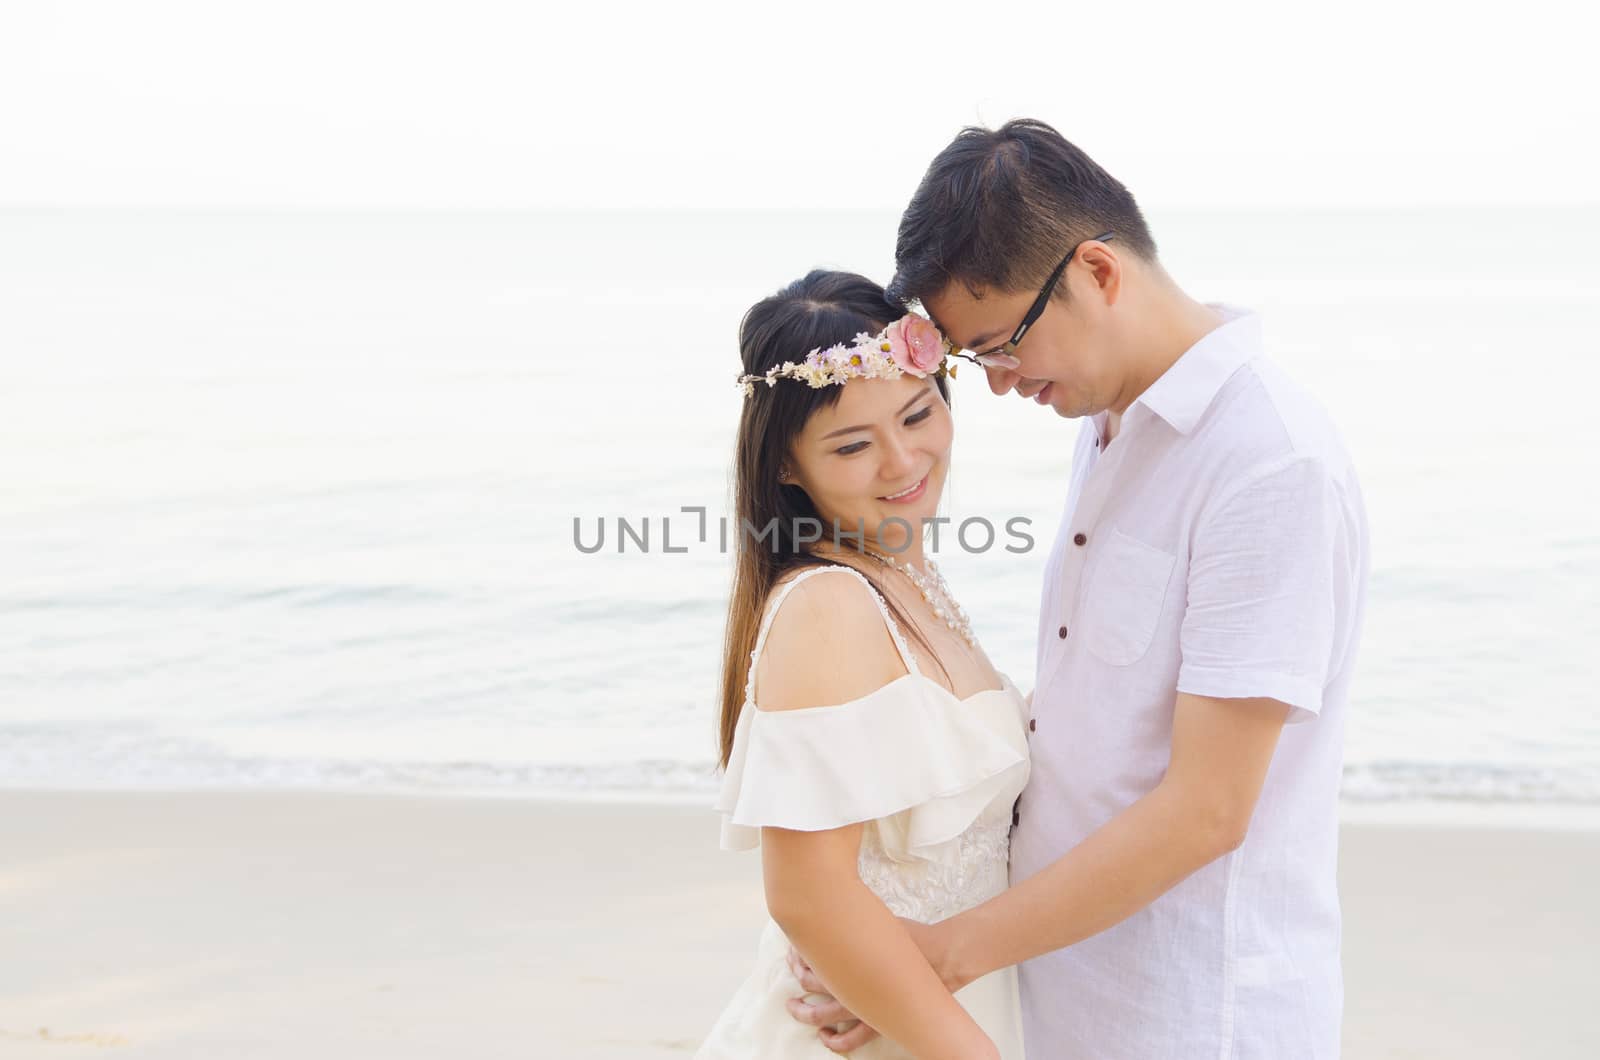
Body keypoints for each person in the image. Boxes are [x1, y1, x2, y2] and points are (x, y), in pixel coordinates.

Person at [784, 120, 1370, 1058]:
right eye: (977, 361)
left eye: (1004, 343)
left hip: (1191, 1012)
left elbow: (1210, 809)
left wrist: (941, 956)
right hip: (1059, 990)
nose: (1006, 384)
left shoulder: (1266, 464)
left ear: (1097, 272)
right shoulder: (1110, 423)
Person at [695, 270, 1031, 1059]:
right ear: (786, 465)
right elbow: (809, 898)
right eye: (852, 445)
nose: (902, 461)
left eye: (919, 413)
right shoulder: (828, 604)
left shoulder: (904, 570)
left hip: (938, 1008)